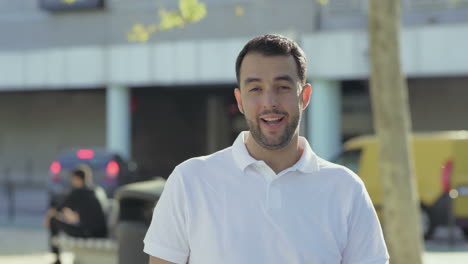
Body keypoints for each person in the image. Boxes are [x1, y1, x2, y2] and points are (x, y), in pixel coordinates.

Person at [143, 34, 389, 264]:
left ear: (304, 96)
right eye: (255, 89)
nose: (270, 102)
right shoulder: (190, 181)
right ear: (240, 100)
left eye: (282, 87)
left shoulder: (346, 189)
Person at [44, 168, 108, 264]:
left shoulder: (79, 192)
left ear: (77, 179)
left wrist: (48, 217)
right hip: (101, 232)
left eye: (73, 179)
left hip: (88, 233)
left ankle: (57, 259)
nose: (72, 182)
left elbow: (58, 208)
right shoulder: (97, 190)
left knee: (53, 220)